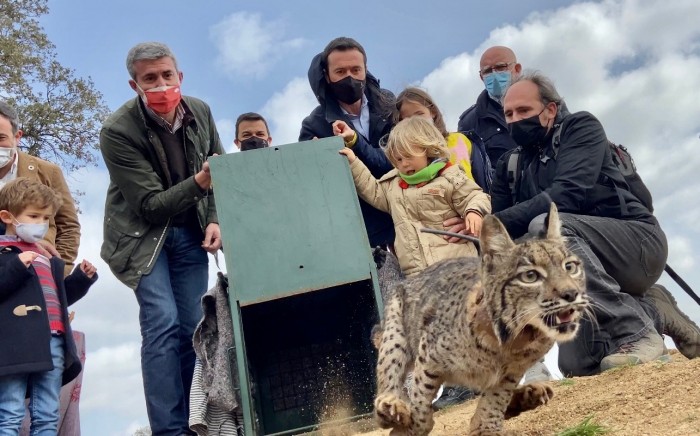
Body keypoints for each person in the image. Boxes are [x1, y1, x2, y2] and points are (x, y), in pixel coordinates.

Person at [492, 70, 680, 376]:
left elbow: (566, 194)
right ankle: (654, 310)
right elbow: (502, 233)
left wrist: (494, 222)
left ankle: (634, 331)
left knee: (546, 226)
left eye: (524, 110)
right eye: (509, 113)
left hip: (638, 245)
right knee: (579, 365)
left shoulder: (581, 127)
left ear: (550, 109)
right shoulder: (509, 165)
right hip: (580, 262)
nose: (514, 120)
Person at [100, 41, 224, 435]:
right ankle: (169, 430)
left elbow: (221, 170)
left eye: (167, 75)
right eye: (150, 78)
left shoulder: (200, 111)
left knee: (193, 328)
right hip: (141, 240)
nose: (161, 84)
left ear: (179, 75)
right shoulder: (117, 131)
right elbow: (150, 205)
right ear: (134, 84)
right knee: (163, 323)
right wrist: (200, 183)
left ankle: (195, 423)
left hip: (190, 234)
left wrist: (215, 219)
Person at [0, 177, 97, 434]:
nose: (40, 224)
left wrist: (81, 279)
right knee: (10, 411)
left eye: (46, 218)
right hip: (13, 345)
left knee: (47, 413)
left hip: (53, 339)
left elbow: (58, 298)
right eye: (33, 216)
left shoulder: (47, 257)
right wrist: (18, 266)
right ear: (7, 217)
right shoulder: (4, 253)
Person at [339, 116, 490, 276]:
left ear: (428, 150)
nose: (404, 164)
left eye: (408, 156)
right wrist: (353, 162)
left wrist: (474, 212)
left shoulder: (449, 177)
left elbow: (474, 196)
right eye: (398, 159)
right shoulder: (393, 185)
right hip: (417, 277)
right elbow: (372, 190)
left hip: (457, 269)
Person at [299, 36, 396, 248]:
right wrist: (316, 160)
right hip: (362, 236)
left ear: (366, 69)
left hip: (406, 219)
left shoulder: (390, 105)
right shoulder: (314, 126)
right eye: (340, 72)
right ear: (326, 75)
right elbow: (315, 190)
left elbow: (399, 160)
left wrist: (354, 142)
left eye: (355, 70)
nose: (350, 78)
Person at [0, 100, 81, 276]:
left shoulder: (47, 172)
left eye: (1, 138)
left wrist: (60, 270)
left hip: (39, 276)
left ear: (17, 137)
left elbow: (68, 226)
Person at [395, 87, 479, 185]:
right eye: (407, 119)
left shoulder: (457, 141)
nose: (415, 121)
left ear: (433, 112)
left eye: (419, 114)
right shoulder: (402, 156)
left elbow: (466, 184)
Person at [458, 46, 521, 168]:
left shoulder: (544, 100)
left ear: (517, 69)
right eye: (487, 71)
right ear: (481, 77)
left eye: (500, 67)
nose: (494, 74)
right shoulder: (469, 122)